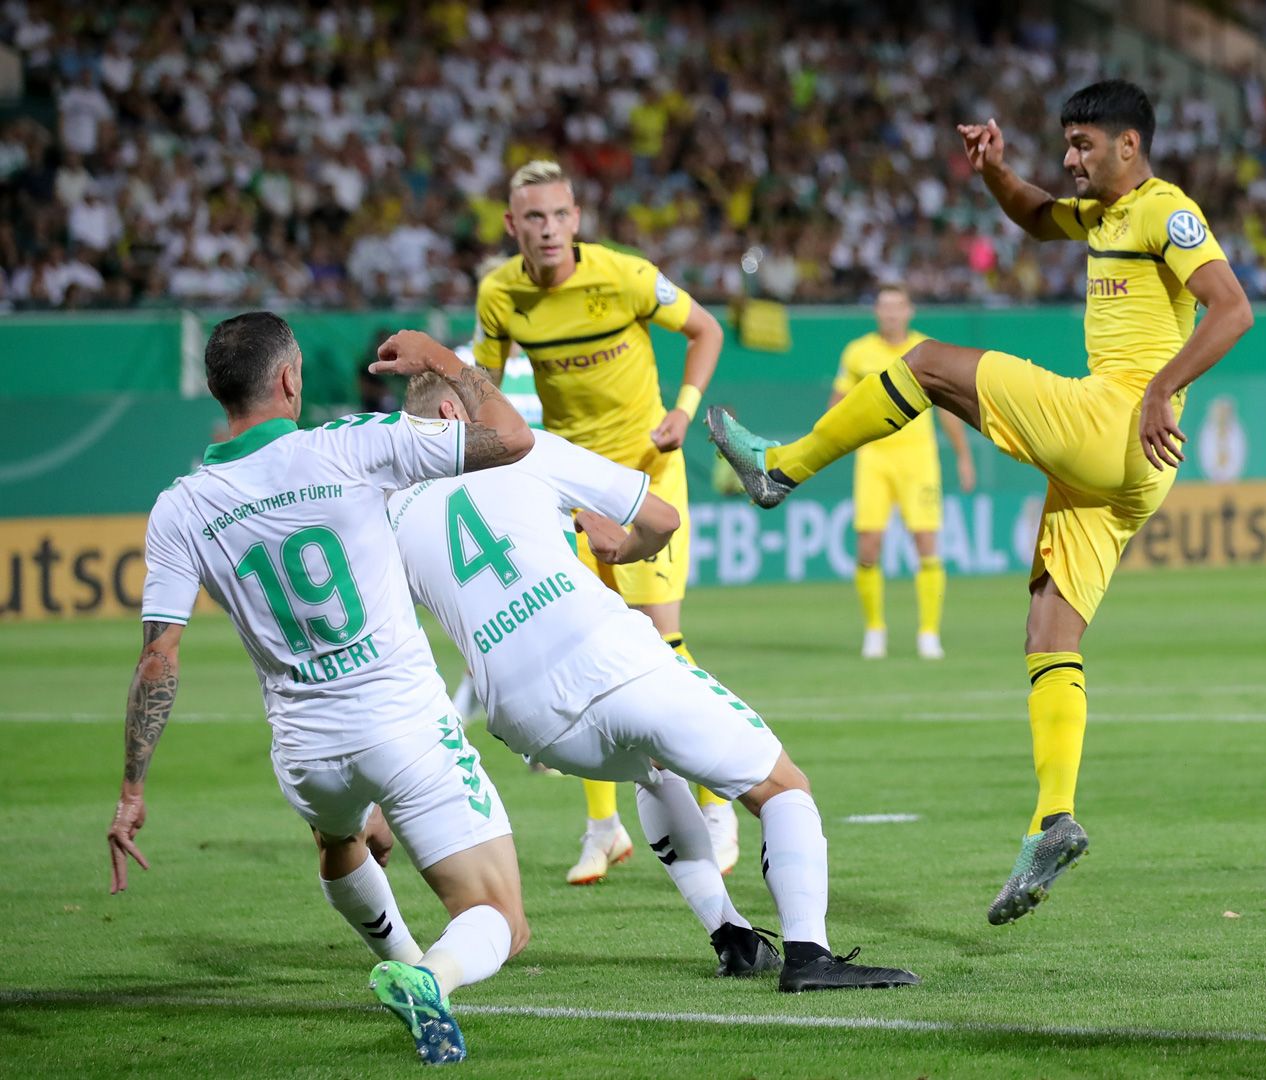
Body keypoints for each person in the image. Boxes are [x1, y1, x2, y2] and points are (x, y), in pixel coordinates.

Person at [709, 80, 1253, 924]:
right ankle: (1052, 819)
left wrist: (1159, 391)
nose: (1069, 159)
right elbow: (1035, 216)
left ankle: (780, 468)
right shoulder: (1102, 215)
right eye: (1066, 143)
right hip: (1132, 468)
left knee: (924, 362)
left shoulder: (1164, 211)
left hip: (1119, 420)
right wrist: (994, 170)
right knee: (1050, 631)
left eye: (1082, 144)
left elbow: (1233, 310)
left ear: (1129, 147)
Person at [388, 366, 921, 992]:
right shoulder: (525, 451)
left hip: (525, 718)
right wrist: (622, 549)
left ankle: (733, 938)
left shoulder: (392, 513)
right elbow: (662, 520)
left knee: (654, 770)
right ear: (457, 416)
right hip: (608, 661)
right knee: (782, 787)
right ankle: (810, 953)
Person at [107, 317, 540, 1064]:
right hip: (402, 726)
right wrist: (439, 359)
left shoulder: (181, 505)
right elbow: (512, 438)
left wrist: (132, 789)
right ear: (287, 381)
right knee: (500, 915)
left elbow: (158, 660)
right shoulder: (352, 444)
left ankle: (399, 957)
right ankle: (427, 975)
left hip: (306, 753)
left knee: (344, 837)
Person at [474, 160, 741, 883]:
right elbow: (485, 392)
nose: (550, 229)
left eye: (560, 214)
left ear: (578, 218)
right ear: (512, 226)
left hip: (646, 475)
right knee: (580, 651)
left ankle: (719, 804)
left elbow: (707, 330)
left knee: (663, 642)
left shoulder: (624, 276)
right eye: (534, 218)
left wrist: (682, 410)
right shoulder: (500, 295)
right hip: (571, 489)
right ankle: (603, 828)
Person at [832, 283, 976, 659]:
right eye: (884, 307)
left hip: (917, 459)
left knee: (926, 544)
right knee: (868, 546)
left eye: (897, 307)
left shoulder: (927, 351)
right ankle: (874, 629)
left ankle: (929, 633)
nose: (891, 313)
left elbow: (948, 408)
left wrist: (963, 455)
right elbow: (839, 404)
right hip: (874, 458)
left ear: (909, 311)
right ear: (876, 312)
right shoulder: (857, 352)